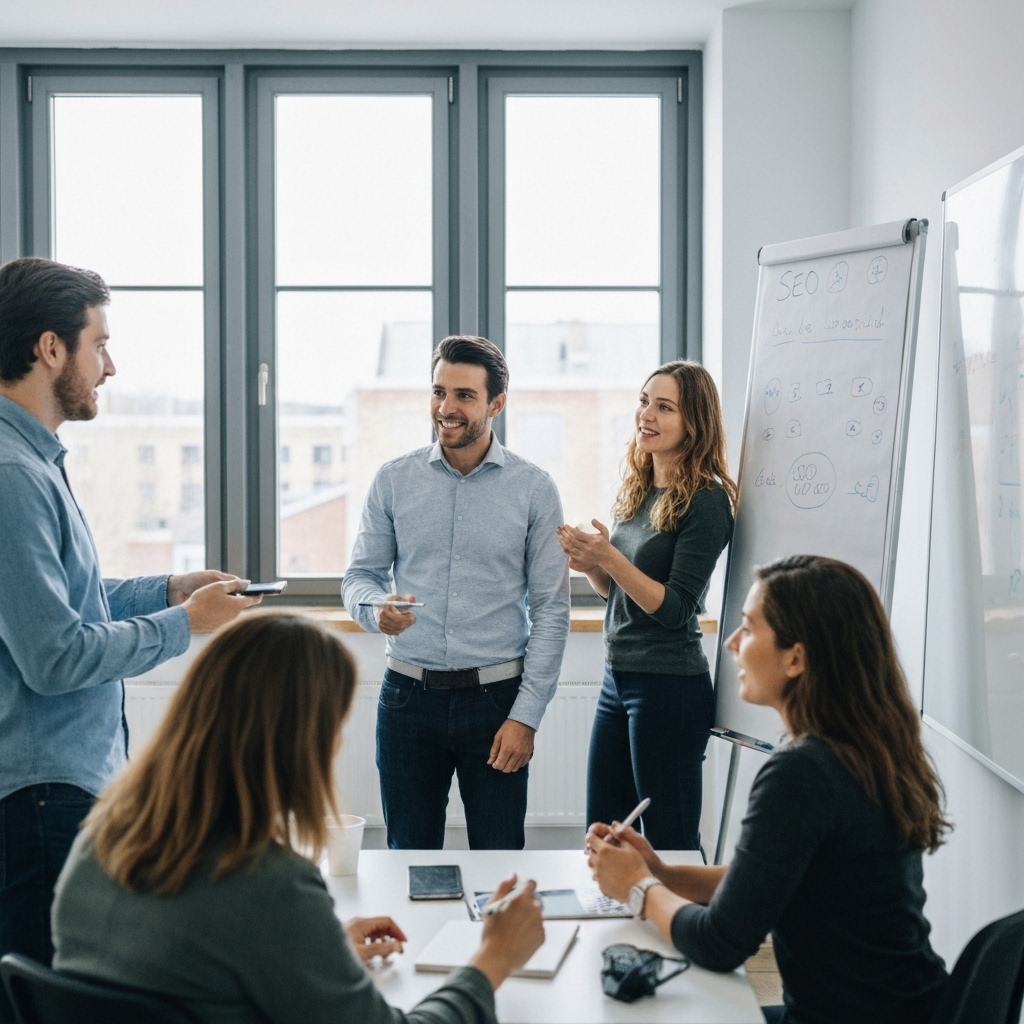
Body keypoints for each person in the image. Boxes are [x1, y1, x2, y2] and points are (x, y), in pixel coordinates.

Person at [51, 613, 546, 1024]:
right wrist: (493, 958)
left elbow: (193, 968)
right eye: (333, 725)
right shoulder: (271, 885)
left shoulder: (100, 839)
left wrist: (315, 953)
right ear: (298, 740)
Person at [0, 256, 261, 995]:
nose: (108, 367)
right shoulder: (12, 475)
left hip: (60, 789)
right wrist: (184, 624)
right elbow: (53, 656)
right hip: (39, 798)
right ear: (50, 348)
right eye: (99, 344)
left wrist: (171, 588)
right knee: (49, 998)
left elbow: (73, 601)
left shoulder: (35, 462)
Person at [585, 555, 951, 1024]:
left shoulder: (802, 772)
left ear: (796, 657)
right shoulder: (866, 748)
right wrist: (661, 872)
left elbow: (720, 943)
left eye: (749, 629)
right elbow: (763, 882)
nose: (733, 643)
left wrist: (639, 887)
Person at [343, 335, 570, 850]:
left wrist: (525, 716)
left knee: (498, 861)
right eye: (438, 392)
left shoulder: (535, 489)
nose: (446, 408)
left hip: (496, 705)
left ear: (496, 403)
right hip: (406, 702)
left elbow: (552, 610)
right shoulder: (393, 481)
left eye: (464, 395)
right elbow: (359, 576)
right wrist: (375, 609)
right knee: (408, 859)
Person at [557, 360, 736, 850]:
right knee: (603, 836)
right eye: (643, 401)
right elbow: (623, 594)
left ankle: (681, 926)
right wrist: (592, 565)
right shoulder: (638, 491)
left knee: (670, 841)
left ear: (693, 423)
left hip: (670, 688)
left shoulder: (707, 502)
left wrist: (610, 557)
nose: (647, 415)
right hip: (619, 678)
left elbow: (677, 608)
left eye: (664, 407)